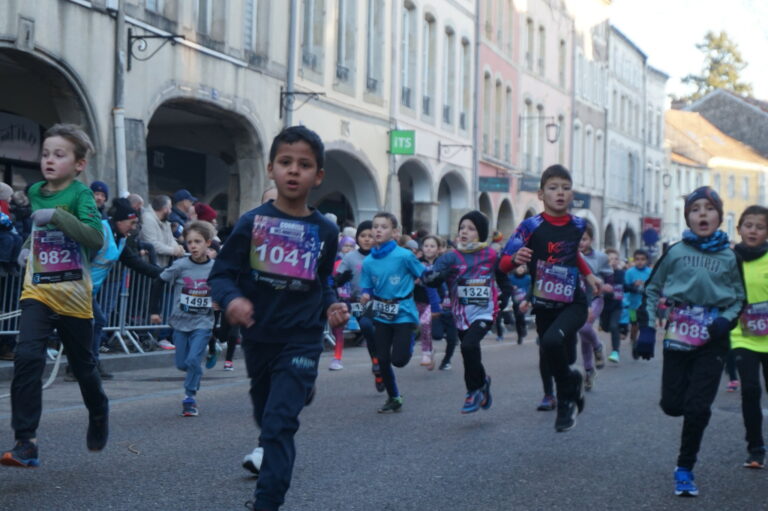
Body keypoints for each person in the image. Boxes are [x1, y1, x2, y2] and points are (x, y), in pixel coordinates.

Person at [208, 126, 348, 511]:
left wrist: (331, 305)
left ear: (318, 176)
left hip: (301, 337)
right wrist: (233, 299)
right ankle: (301, 388)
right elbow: (221, 274)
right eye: (286, 162)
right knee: (263, 411)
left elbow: (323, 279)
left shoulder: (325, 229)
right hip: (259, 336)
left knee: (278, 425)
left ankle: (267, 502)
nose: (293, 171)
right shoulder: (252, 222)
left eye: (304, 165)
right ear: (271, 168)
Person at [1, 124, 109, 468]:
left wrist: (59, 217)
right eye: (46, 153)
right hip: (39, 290)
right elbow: (39, 229)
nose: (49, 159)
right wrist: (28, 248)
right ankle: (26, 441)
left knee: (83, 367)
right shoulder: (34, 190)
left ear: (78, 164)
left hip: (75, 296)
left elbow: (95, 239)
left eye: (59, 154)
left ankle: (98, 411)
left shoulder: (81, 196)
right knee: (28, 357)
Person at [636, 186, 745, 497]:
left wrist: (726, 320)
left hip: (713, 339)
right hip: (680, 335)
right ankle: (687, 414)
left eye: (709, 209)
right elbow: (652, 288)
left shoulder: (729, 256)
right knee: (672, 406)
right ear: (688, 217)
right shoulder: (676, 252)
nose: (702, 214)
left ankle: (685, 468)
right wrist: (645, 328)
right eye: (695, 209)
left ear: (719, 217)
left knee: (698, 407)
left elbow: (739, 298)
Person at [500, 164, 600, 432]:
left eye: (566, 188)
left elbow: (571, 254)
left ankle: (566, 396)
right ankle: (571, 384)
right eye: (553, 188)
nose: (560, 193)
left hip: (574, 302)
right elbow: (504, 262)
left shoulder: (579, 225)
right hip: (544, 304)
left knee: (552, 342)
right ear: (541, 194)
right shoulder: (530, 226)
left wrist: (589, 276)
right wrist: (515, 259)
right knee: (555, 352)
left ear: (572, 194)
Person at [424, 211, 511, 413]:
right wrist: (435, 277)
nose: (465, 232)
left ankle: (472, 391)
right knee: (471, 352)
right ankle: (483, 383)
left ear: (480, 233)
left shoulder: (490, 254)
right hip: (460, 313)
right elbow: (430, 276)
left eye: (471, 229)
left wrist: (505, 293)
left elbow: (502, 276)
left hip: (485, 311)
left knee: (469, 346)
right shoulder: (450, 257)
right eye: (462, 227)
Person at [87, 198, 163, 379]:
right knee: (94, 322)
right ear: (120, 221)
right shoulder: (101, 232)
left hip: (89, 290)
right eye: (132, 223)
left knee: (95, 323)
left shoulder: (120, 239)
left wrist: (164, 274)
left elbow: (135, 262)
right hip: (76, 288)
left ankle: (85, 366)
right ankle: (85, 367)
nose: (134, 227)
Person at [360, 212, 425, 413]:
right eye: (375, 226)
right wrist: (365, 296)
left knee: (399, 360)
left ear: (395, 232)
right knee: (382, 359)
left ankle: (414, 334)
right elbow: (367, 287)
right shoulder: (369, 261)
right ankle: (394, 397)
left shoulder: (405, 256)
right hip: (381, 313)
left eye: (383, 226)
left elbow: (423, 274)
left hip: (403, 313)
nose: (378, 230)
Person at [151, 221, 216, 416]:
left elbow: (224, 286)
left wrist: (220, 301)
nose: (193, 246)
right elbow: (158, 281)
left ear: (208, 243)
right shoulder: (180, 265)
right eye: (189, 242)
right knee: (182, 364)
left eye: (198, 241)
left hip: (203, 322)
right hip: (180, 321)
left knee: (193, 360)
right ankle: (205, 359)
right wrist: (155, 310)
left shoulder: (215, 268)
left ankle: (190, 398)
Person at [729, 205, 768, 469]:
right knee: (751, 390)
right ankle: (755, 448)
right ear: (739, 228)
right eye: (749, 225)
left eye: (760, 226)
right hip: (742, 335)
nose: (753, 230)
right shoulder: (728, 259)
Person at [333, 220, 384, 389]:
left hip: (382, 301)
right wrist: (340, 280)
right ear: (357, 238)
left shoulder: (382, 255)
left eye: (370, 236)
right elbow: (337, 280)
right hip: (360, 302)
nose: (367, 239)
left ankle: (381, 368)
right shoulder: (350, 257)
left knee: (380, 334)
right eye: (363, 236)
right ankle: (376, 362)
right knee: (367, 327)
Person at [578, 225, 611, 391]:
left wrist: (606, 286)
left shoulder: (600, 257)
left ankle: (598, 346)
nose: (580, 242)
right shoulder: (569, 256)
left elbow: (609, 277)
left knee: (584, 327)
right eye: (577, 239)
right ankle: (589, 370)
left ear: (591, 240)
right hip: (577, 301)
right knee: (584, 337)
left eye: (583, 239)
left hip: (595, 299)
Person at [413, 235, 442, 369]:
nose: (429, 249)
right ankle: (430, 351)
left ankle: (426, 352)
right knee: (419, 326)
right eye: (426, 246)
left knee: (425, 323)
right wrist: (416, 281)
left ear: (438, 249)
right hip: (418, 299)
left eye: (432, 246)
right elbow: (410, 278)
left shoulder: (441, 263)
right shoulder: (417, 262)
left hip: (434, 301)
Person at [328, 236, 357, 370]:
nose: (348, 249)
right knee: (337, 330)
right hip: (335, 299)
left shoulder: (356, 262)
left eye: (351, 246)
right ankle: (336, 358)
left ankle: (337, 358)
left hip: (352, 299)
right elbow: (330, 280)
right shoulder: (334, 262)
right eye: (346, 246)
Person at [600, 248, 626, 363]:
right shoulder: (601, 274)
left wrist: (636, 289)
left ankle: (615, 352)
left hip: (616, 306)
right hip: (603, 307)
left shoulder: (621, 273)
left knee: (614, 326)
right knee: (606, 327)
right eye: (610, 259)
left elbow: (625, 286)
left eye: (616, 259)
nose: (614, 261)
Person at [625, 248, 651, 358]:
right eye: (637, 259)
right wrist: (634, 286)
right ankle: (634, 341)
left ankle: (640, 343)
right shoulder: (630, 272)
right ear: (634, 260)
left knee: (644, 326)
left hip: (646, 305)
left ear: (646, 261)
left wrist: (646, 286)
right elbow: (625, 287)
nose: (640, 262)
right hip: (632, 305)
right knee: (634, 325)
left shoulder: (650, 272)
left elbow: (655, 287)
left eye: (642, 259)